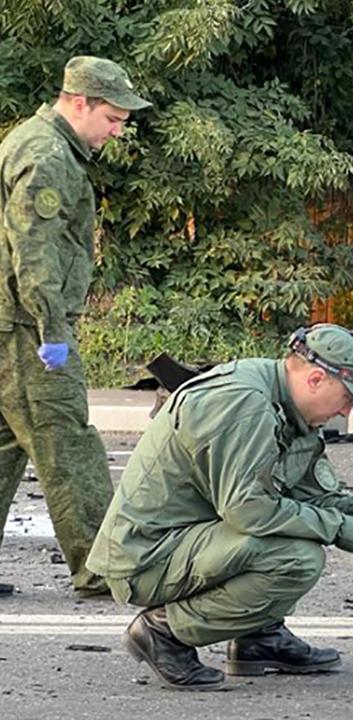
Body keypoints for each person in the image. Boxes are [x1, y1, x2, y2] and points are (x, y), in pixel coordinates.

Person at [86, 324, 353, 690]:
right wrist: (350, 533)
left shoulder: (289, 407)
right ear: (316, 379)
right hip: (146, 557)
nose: (346, 411)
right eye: (348, 397)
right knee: (295, 558)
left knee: (293, 535)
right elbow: (249, 510)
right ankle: (164, 632)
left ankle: (258, 637)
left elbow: (309, 495)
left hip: (190, 540)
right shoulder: (245, 403)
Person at [0, 56, 151, 597]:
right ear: (80, 103)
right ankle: (102, 567)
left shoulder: (39, 141)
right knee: (68, 442)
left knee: (6, 446)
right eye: (112, 118)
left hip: (10, 322)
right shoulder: (47, 156)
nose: (116, 131)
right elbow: (34, 252)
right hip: (27, 328)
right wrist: (52, 331)